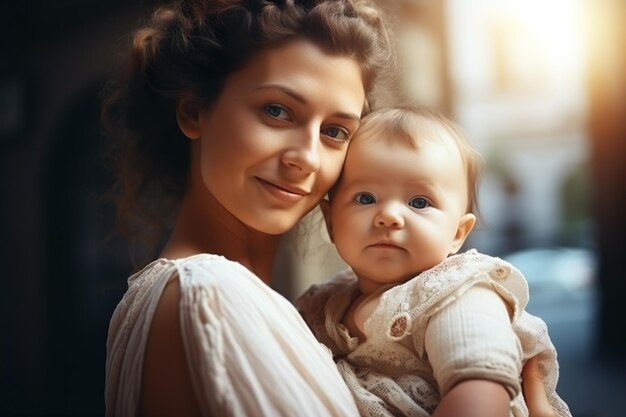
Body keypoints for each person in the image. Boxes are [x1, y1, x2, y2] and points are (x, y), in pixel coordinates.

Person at [101, 0, 557, 415]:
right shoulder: (205, 296)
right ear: (194, 111)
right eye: (277, 111)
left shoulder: (303, 313)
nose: (307, 157)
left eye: (336, 131)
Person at [297, 106, 571, 417]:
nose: (389, 216)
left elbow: (480, 397)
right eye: (365, 198)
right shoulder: (324, 302)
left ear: (457, 233)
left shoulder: (458, 294)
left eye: (419, 202)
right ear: (331, 222)